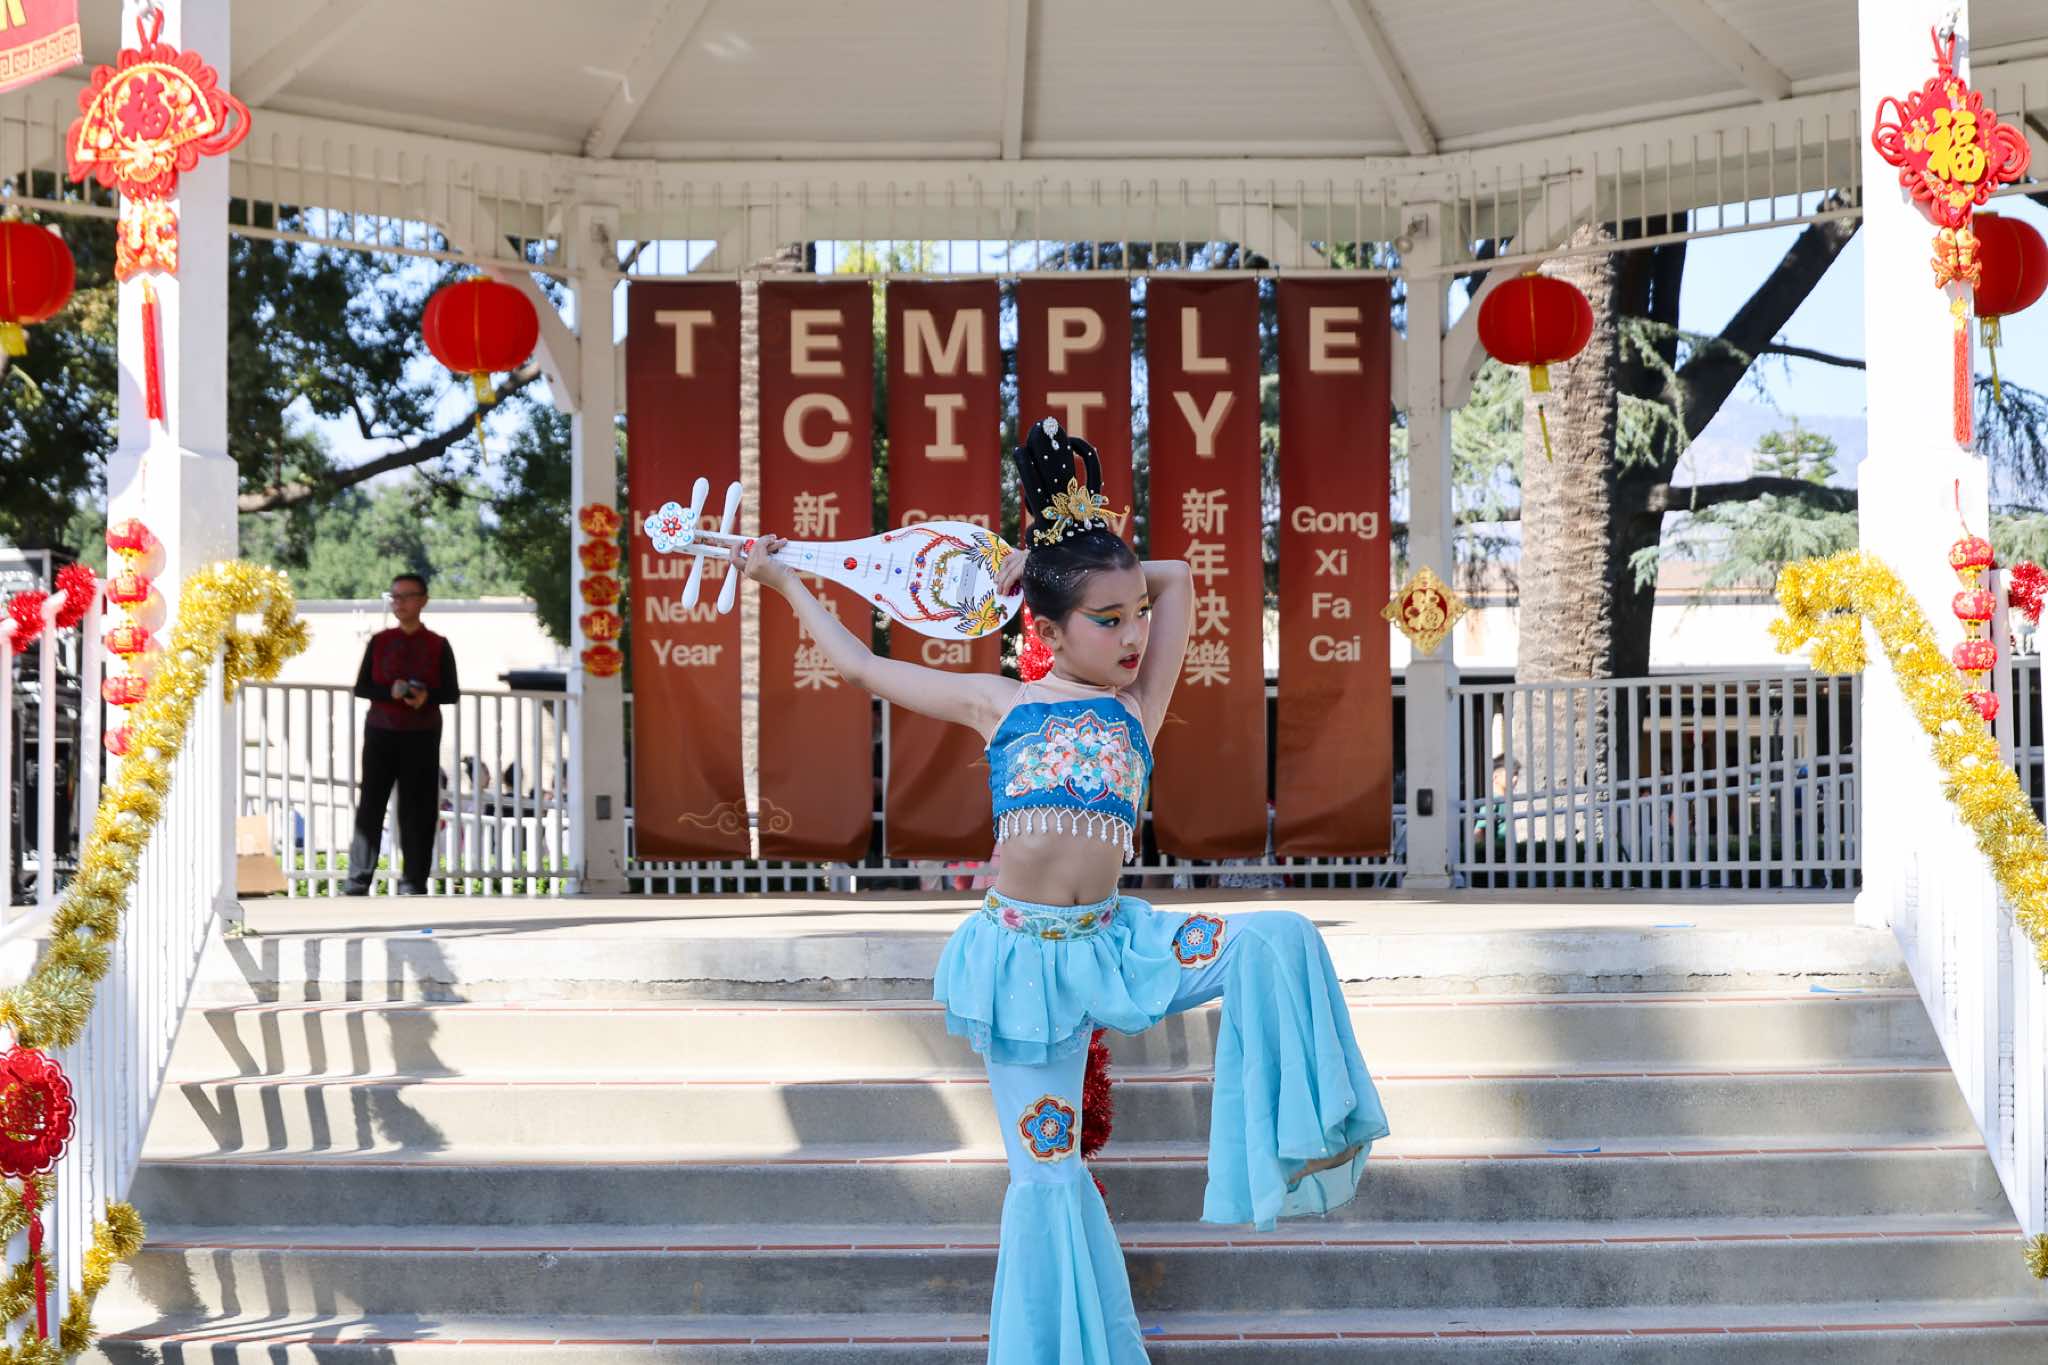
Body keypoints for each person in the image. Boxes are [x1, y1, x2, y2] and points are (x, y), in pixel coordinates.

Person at [741, 417, 1387, 1363]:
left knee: (1279, 936)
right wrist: (785, 580)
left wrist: (1053, 562)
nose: (1134, 633)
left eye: (1134, 616)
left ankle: (1309, 1139)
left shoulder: (1138, 708)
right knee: (1048, 1178)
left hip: (1117, 946)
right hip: (1023, 971)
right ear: (1044, 631)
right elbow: (861, 665)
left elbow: (1178, 578)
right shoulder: (1000, 703)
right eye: (1107, 619)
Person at [344, 572, 459, 895]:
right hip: (381, 732)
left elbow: (451, 693)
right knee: (371, 804)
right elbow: (362, 687)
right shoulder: (379, 641)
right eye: (395, 596)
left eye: (406, 596)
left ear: (423, 600)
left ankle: (414, 881)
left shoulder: (438, 644)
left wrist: (425, 697)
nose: (399, 603)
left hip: (422, 734)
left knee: (418, 808)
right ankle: (357, 880)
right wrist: (390, 692)